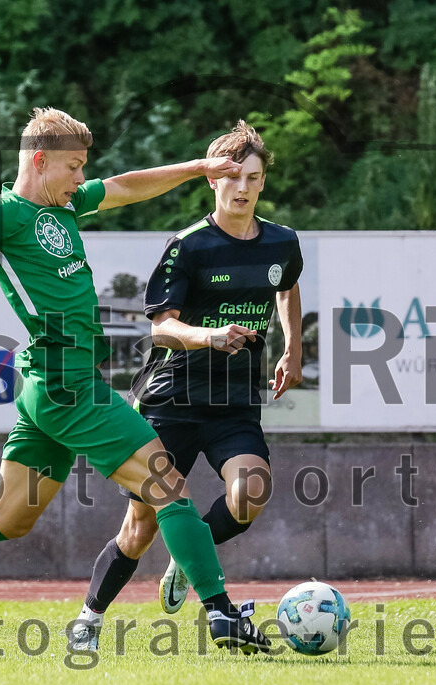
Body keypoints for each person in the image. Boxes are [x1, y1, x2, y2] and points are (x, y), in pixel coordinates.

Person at [0, 107, 270, 654]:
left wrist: (195, 168)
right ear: (40, 162)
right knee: (169, 486)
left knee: (9, 517)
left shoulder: (65, 207)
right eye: (73, 167)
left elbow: (123, 187)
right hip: (67, 384)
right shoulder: (1, 215)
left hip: (49, 384)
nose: (80, 179)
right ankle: (221, 614)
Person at [68, 121, 302, 651]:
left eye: (253, 177)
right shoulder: (189, 246)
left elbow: (287, 288)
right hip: (171, 399)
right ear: (212, 181)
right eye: (231, 177)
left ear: (263, 183)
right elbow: (160, 326)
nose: (242, 187)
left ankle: (187, 557)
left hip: (234, 402)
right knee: (140, 526)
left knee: (253, 492)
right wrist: (209, 335)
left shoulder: (283, 241)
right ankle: (89, 618)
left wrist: (293, 348)